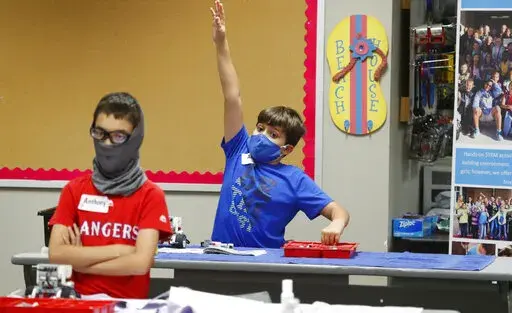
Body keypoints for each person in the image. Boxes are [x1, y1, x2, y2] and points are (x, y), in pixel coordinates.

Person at [208, 0, 350, 249]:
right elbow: (232, 96)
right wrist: (221, 43)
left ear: (287, 149)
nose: (262, 135)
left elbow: (338, 211)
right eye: (260, 128)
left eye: (273, 134)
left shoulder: (294, 179)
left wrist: (336, 224)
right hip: (220, 256)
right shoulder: (238, 148)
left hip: (266, 263)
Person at [48, 92, 172, 299]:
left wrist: (81, 263)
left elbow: (140, 264)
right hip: (79, 303)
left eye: (118, 136)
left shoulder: (150, 195)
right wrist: (122, 250)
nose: (106, 144)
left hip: (127, 306)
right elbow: (57, 255)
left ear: (135, 139)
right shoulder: (74, 190)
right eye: (100, 133)